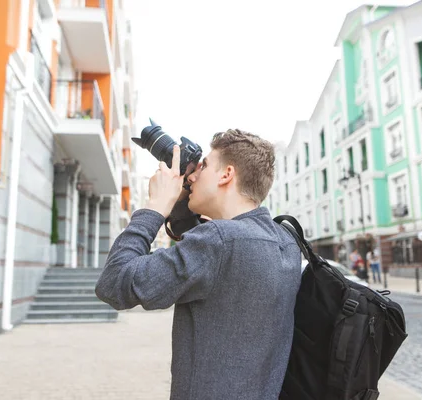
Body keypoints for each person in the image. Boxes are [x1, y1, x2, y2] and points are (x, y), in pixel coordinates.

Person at [95, 129, 302, 400]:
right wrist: (182, 201)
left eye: (203, 166)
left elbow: (114, 284)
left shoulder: (218, 242)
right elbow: (206, 251)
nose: (191, 176)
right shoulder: (286, 241)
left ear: (226, 175)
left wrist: (155, 207)